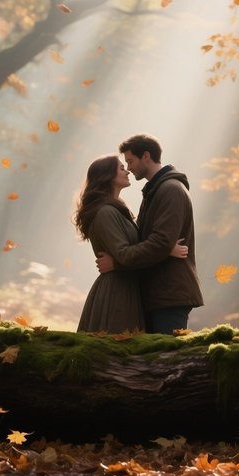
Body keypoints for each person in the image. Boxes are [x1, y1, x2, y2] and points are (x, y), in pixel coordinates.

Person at [96, 134, 204, 334]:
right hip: (157, 293)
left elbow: (160, 242)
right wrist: (164, 248)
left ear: (146, 156)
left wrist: (117, 263)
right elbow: (150, 240)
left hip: (169, 294)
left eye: (130, 161)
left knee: (167, 361)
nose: (128, 168)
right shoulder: (155, 191)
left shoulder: (170, 190)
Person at [75, 154, 187, 333]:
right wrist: (164, 250)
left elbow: (130, 250)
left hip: (128, 288)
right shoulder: (105, 213)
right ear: (107, 176)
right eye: (121, 168)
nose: (127, 171)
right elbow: (125, 255)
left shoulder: (117, 210)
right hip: (116, 294)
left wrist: (159, 249)